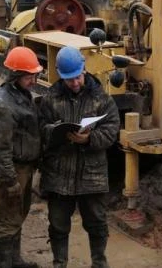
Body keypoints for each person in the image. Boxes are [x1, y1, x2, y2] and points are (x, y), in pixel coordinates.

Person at [39, 46, 120, 268]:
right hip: (59, 175)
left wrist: (90, 139)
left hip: (91, 176)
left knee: (97, 223)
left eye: (77, 77)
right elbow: (40, 128)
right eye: (68, 80)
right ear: (60, 76)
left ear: (84, 69)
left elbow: (112, 130)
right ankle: (59, 263)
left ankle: (99, 263)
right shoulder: (50, 99)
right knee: (57, 225)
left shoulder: (101, 98)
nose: (74, 83)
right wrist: (55, 131)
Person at [0, 46, 43, 268]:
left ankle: (14, 260)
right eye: (30, 76)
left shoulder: (21, 95)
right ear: (16, 75)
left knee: (18, 214)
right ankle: (3, 264)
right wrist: (9, 180)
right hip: (14, 169)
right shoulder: (2, 106)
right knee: (6, 219)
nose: (34, 80)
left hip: (25, 167)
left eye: (35, 75)